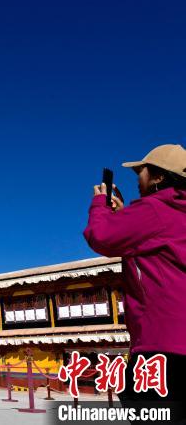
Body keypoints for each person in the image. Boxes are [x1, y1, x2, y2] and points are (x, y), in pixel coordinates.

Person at [84, 144, 186, 423]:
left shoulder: (156, 208)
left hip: (162, 343)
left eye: (142, 171)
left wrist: (100, 205)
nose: (137, 178)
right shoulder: (176, 212)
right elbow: (153, 244)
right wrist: (124, 216)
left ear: (158, 177)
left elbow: (101, 236)